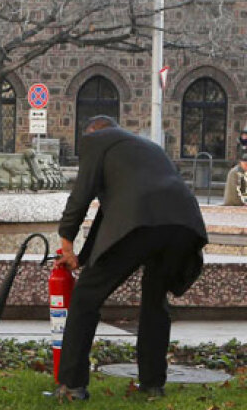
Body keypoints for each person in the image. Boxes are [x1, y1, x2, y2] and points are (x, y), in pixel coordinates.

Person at [53, 115, 208, 401]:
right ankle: (152, 384)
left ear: (91, 131)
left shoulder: (95, 140)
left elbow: (81, 195)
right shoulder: (146, 148)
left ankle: (72, 385)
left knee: (86, 297)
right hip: (184, 223)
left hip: (141, 221)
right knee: (154, 300)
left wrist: (65, 245)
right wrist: (80, 256)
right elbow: (110, 212)